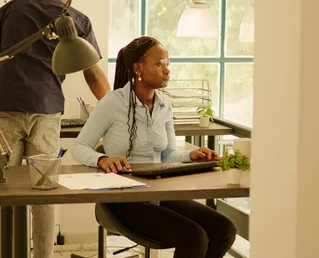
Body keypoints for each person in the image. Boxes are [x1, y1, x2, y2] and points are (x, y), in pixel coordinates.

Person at [0, 0, 110, 258]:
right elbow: (92, 72)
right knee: (44, 190)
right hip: (47, 108)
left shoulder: (11, 8)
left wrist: (11, 89)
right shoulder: (75, 18)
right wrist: (113, 107)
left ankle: (1, 253)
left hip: (5, 107)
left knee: (1, 189)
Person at [71, 36, 237, 258]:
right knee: (194, 236)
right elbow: (79, 147)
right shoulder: (112, 103)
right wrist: (103, 160)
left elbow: (167, 154)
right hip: (122, 198)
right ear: (138, 68)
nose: (167, 70)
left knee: (224, 230)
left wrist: (191, 155)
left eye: (167, 64)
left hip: (158, 192)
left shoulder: (164, 104)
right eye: (159, 64)